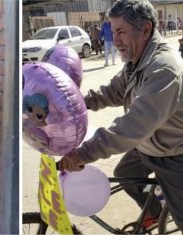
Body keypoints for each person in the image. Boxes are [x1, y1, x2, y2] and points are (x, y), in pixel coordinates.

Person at [60, 0, 183, 232]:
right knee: (125, 174)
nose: (115, 41)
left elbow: (133, 126)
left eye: (120, 32)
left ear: (145, 29)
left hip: (174, 153)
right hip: (149, 143)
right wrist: (73, 105)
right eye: (113, 31)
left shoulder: (163, 69)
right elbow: (113, 91)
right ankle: (156, 213)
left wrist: (84, 153)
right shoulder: (137, 59)